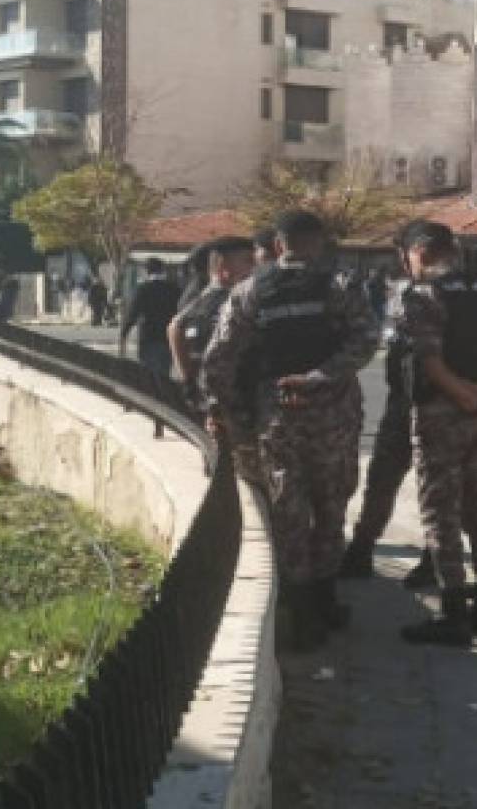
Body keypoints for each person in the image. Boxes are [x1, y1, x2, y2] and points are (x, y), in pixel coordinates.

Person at [202, 212, 376, 652]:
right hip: (333, 415)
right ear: (318, 244)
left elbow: (217, 362)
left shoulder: (248, 292)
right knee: (331, 505)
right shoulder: (342, 286)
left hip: (276, 416)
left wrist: (240, 416)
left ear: (278, 246)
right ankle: (326, 599)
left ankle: (299, 613)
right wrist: (320, 376)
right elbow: (366, 341)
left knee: (289, 512)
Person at [397, 222, 477, 647]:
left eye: (408, 254)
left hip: (439, 415)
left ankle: (453, 612)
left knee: (440, 512)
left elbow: (430, 363)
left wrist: (464, 397)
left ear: (422, 252)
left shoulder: (424, 295)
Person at [340, 221, 427, 581]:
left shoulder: (430, 294)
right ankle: (362, 549)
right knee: (387, 480)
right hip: (411, 402)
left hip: (423, 405)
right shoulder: (409, 292)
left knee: (424, 485)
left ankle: (431, 559)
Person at [170, 236, 256, 413]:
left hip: (207, 395)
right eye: (248, 261)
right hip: (230, 397)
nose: (254, 268)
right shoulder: (231, 300)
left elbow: (174, 328)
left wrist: (187, 379)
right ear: (224, 267)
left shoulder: (198, 300)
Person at [120, 258, 182, 394]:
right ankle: (163, 398)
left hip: (149, 338)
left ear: (147, 271)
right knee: (164, 373)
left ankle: (152, 399)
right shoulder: (174, 289)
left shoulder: (142, 289)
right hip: (167, 338)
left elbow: (132, 314)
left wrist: (124, 334)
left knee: (148, 374)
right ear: (162, 270)